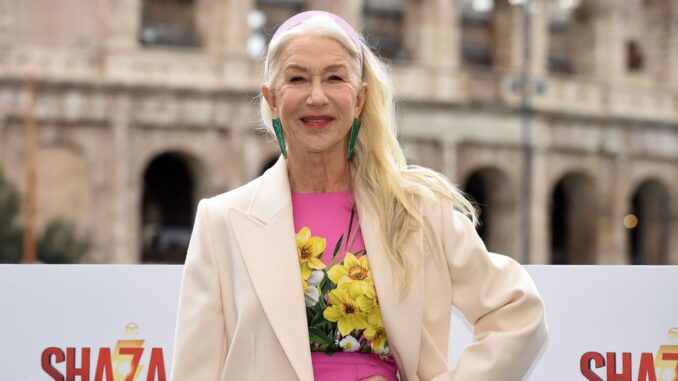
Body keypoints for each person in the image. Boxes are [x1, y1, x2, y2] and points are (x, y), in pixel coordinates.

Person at [170, 10, 547, 381]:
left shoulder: (415, 210)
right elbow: (195, 369)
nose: (316, 97)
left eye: (334, 78)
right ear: (271, 98)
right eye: (298, 78)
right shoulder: (221, 220)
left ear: (361, 98)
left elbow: (518, 313)